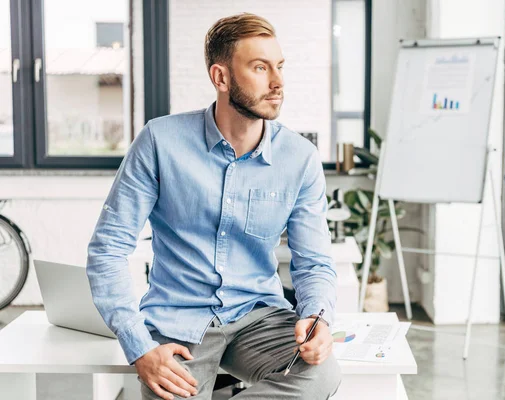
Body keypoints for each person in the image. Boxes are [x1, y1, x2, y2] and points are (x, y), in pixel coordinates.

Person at [86, 12, 341, 400]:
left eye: (280, 66)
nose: (278, 82)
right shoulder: (159, 141)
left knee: (320, 375)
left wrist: (316, 316)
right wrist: (138, 345)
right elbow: (108, 249)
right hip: (177, 320)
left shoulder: (300, 158)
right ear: (221, 78)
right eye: (260, 67)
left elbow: (314, 262)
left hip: (258, 317)